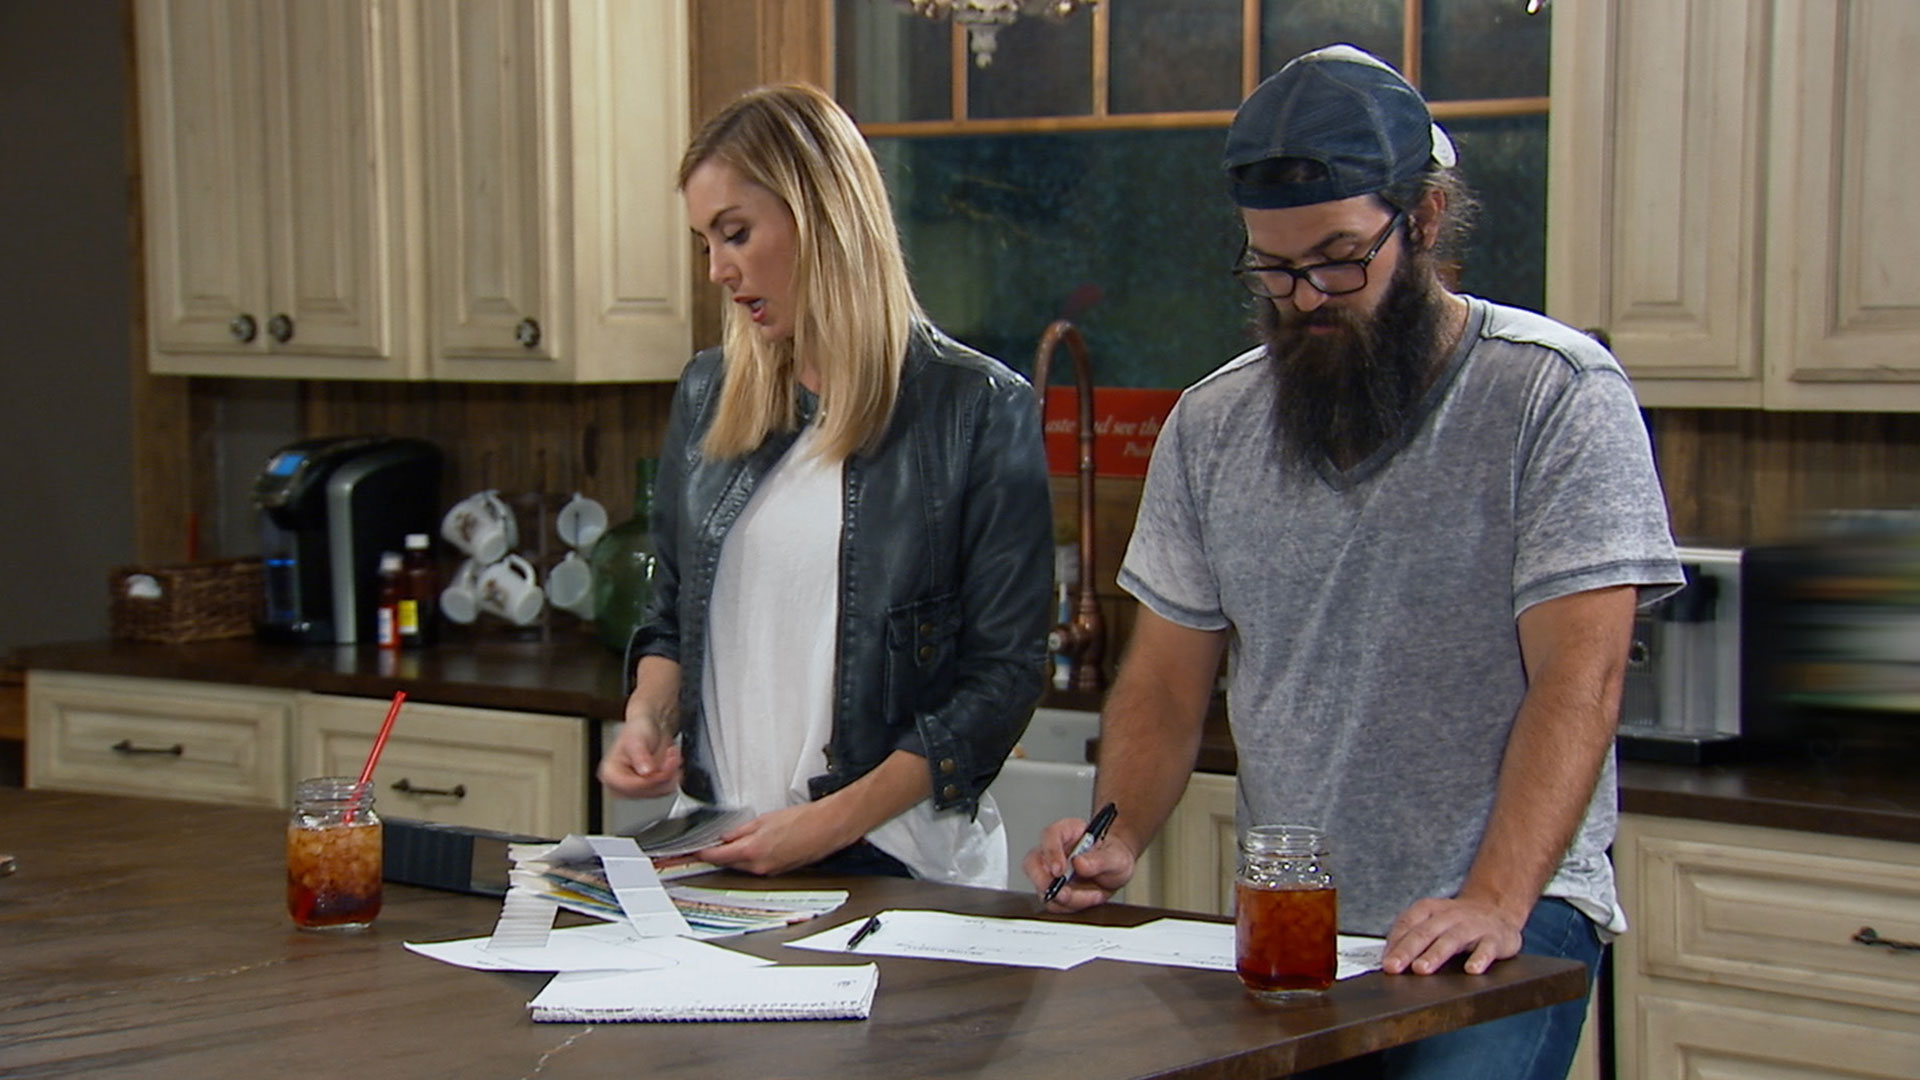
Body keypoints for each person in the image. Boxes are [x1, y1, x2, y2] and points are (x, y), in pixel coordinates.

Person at [1023, 45, 1682, 1079]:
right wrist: (1120, 833)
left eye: (1338, 258)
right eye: (1274, 268)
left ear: (1424, 218)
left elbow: (1580, 678)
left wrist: (1493, 898)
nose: (1305, 298)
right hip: (1297, 918)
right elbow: (1162, 685)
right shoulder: (1213, 425)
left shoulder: (1553, 396)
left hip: (1507, 909)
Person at [598, 83, 1054, 888]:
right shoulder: (707, 394)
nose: (718, 270)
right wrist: (647, 719)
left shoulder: (976, 408)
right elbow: (668, 619)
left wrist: (827, 825)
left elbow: (1002, 679)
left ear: (819, 214)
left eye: (736, 233)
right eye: (705, 243)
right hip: (719, 850)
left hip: (897, 866)